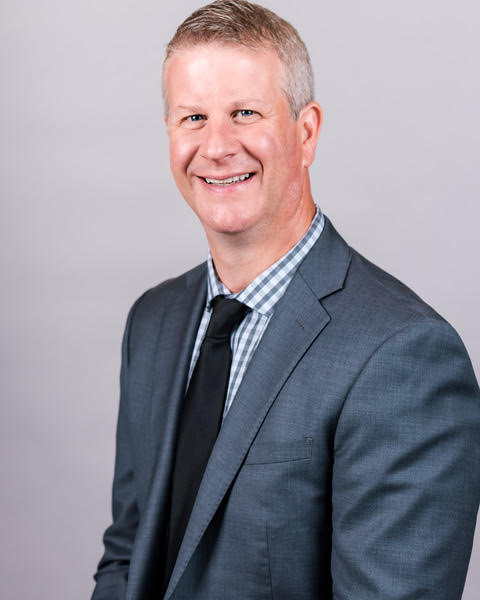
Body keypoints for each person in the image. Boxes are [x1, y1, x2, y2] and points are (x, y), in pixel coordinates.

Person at [91, 1, 480, 598]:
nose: (216, 146)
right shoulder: (154, 321)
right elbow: (128, 556)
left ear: (306, 132)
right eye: (193, 117)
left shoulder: (404, 357)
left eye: (245, 113)